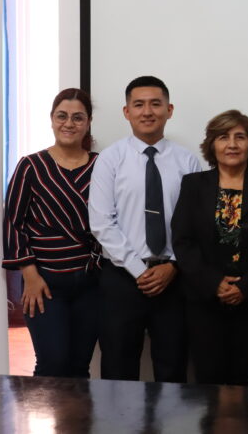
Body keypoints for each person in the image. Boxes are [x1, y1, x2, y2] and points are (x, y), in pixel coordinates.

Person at [88, 76, 202, 381]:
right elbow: (101, 223)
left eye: (155, 104)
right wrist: (139, 270)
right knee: (118, 369)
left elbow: (196, 224)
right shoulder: (110, 160)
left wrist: (173, 265)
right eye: (138, 105)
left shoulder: (188, 162)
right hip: (122, 279)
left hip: (173, 279)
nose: (147, 111)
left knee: (173, 367)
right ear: (127, 112)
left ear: (169, 109)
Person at [172, 110, 248, 386]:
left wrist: (245, 287)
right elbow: (183, 241)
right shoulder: (193, 185)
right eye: (223, 137)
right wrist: (214, 283)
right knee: (207, 377)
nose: (232, 144)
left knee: (242, 377)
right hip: (204, 299)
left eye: (240, 137)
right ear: (212, 145)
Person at [3, 87, 100, 378]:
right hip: (45, 283)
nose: (69, 123)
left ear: (88, 122)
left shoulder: (102, 165)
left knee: (79, 367)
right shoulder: (30, 166)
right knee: (52, 365)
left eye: (77, 117)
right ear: (52, 119)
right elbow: (13, 223)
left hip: (91, 285)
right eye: (62, 116)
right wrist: (30, 276)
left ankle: (78, 412)